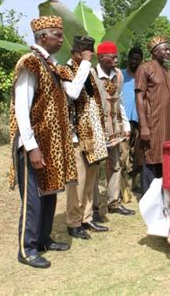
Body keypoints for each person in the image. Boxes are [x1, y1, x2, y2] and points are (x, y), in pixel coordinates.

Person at [9, 16, 93, 268]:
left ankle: (43, 239)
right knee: (34, 198)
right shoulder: (30, 63)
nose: (61, 39)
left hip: (51, 144)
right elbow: (21, 108)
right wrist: (31, 146)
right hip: (33, 144)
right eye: (57, 34)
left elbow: (73, 92)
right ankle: (27, 249)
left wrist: (86, 64)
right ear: (43, 36)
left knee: (49, 193)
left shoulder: (52, 65)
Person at [65, 36, 109, 240]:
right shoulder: (66, 70)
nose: (90, 57)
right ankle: (73, 222)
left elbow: (96, 101)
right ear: (76, 53)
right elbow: (73, 93)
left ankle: (87, 217)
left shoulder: (89, 71)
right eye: (86, 54)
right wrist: (83, 64)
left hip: (93, 134)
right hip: (76, 135)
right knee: (78, 182)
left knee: (91, 179)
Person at [92, 41, 135, 216]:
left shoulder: (117, 75)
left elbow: (119, 100)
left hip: (115, 128)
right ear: (101, 57)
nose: (116, 59)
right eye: (112, 56)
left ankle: (114, 202)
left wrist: (125, 124)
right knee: (94, 168)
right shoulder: (91, 74)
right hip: (96, 129)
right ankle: (93, 207)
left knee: (115, 165)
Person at [135, 36, 170, 193]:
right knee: (151, 157)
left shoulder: (167, 71)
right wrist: (143, 125)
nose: (168, 52)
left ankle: (162, 194)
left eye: (168, 49)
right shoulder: (145, 68)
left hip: (167, 124)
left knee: (164, 157)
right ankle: (149, 198)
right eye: (165, 49)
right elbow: (139, 96)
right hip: (152, 123)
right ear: (154, 51)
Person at [119, 47, 144, 202]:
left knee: (138, 154)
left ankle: (135, 184)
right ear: (128, 58)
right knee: (123, 154)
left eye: (138, 59)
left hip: (140, 120)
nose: (134, 61)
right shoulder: (121, 75)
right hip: (124, 120)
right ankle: (122, 189)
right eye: (132, 58)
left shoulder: (143, 76)